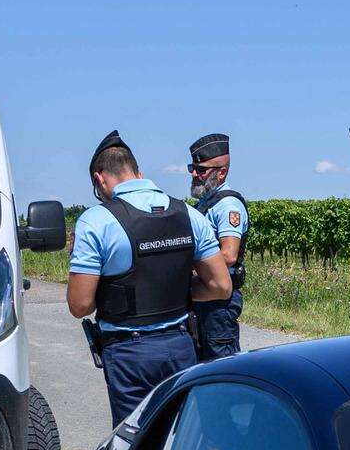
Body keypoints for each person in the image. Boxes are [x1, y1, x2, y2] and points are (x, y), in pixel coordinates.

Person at [65, 131, 229, 424]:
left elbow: (80, 305)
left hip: (129, 354)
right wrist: (177, 289)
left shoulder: (95, 221)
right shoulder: (189, 214)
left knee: (135, 449)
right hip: (180, 346)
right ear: (138, 172)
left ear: (99, 179)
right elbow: (220, 286)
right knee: (181, 440)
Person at [185, 132, 249, 361]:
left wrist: (192, 268)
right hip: (205, 295)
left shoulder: (227, 205)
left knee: (220, 365)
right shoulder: (205, 204)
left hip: (219, 301)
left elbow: (229, 255)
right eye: (193, 168)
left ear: (222, 172)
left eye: (201, 170)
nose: (194, 174)